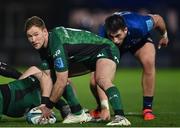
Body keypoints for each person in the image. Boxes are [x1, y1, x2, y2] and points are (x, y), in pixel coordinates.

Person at [24, 16, 131, 126]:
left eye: (36, 34)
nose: (33, 40)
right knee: (54, 75)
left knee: (101, 79)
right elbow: (48, 79)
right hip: (86, 57)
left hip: (106, 49)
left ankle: (121, 117)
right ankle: (78, 113)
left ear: (45, 32)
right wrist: (44, 104)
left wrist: (48, 107)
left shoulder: (56, 43)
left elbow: (61, 82)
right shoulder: (43, 48)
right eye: (30, 36)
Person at [90, 11, 169, 121]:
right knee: (95, 80)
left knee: (149, 62)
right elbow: (100, 76)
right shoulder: (102, 36)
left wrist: (164, 35)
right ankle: (101, 108)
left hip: (136, 41)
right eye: (111, 36)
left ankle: (147, 109)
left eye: (118, 35)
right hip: (111, 49)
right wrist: (105, 108)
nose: (115, 40)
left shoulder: (139, 25)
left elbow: (158, 19)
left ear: (125, 30)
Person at [0, 61, 71, 120]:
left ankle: (65, 107)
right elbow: (36, 72)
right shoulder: (37, 73)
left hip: (13, 106)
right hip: (7, 97)